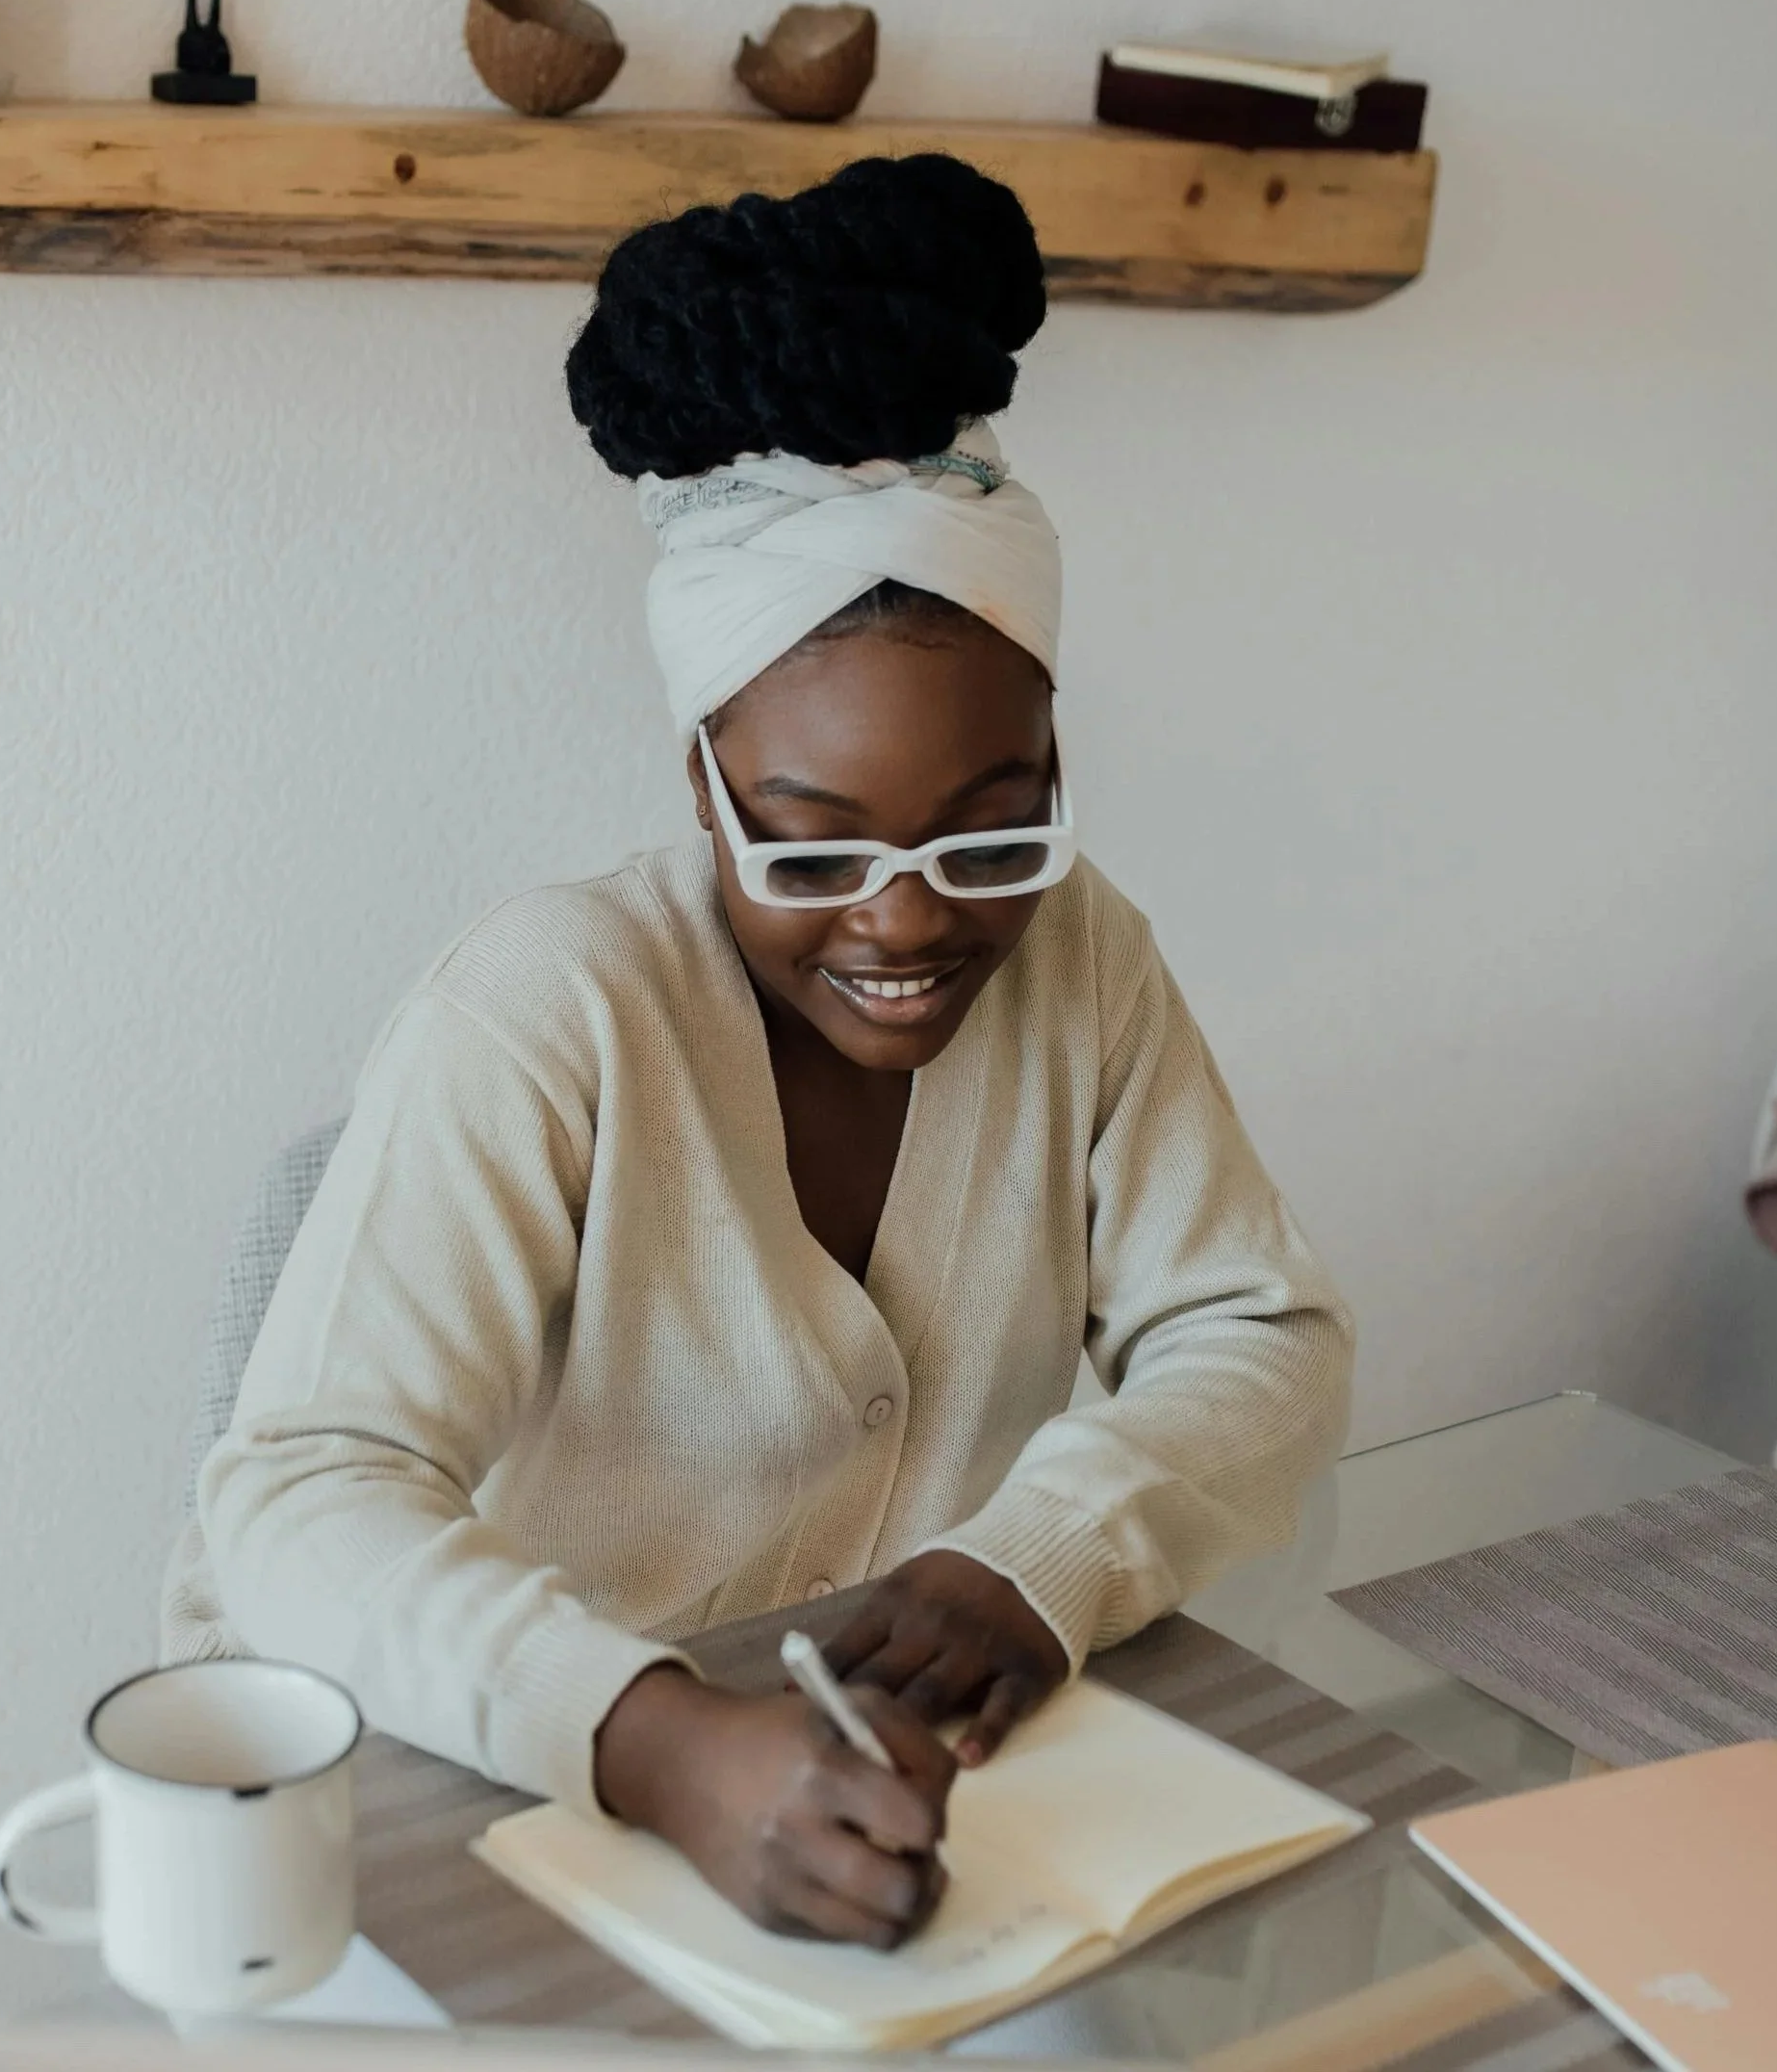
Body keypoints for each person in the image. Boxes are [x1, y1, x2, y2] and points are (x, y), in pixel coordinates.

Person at [163, 154, 1353, 1953]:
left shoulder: (1086, 960)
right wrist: (664, 1749)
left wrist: (1031, 1559)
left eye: (993, 835)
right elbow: (298, 1500)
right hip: (469, 1825)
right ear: (702, 795)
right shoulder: (545, 1014)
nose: (905, 922)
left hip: (883, 1822)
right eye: (810, 846)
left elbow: (1258, 1338)